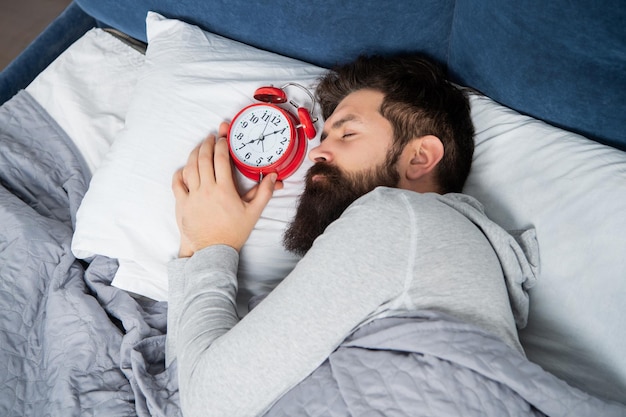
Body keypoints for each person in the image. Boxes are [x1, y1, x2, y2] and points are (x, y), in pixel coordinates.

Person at [167, 54, 536, 416]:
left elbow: (205, 403)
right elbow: (189, 384)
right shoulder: (432, 246)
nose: (318, 152)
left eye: (348, 132)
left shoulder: (396, 218)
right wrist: (195, 244)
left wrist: (210, 246)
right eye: (325, 136)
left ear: (420, 158)